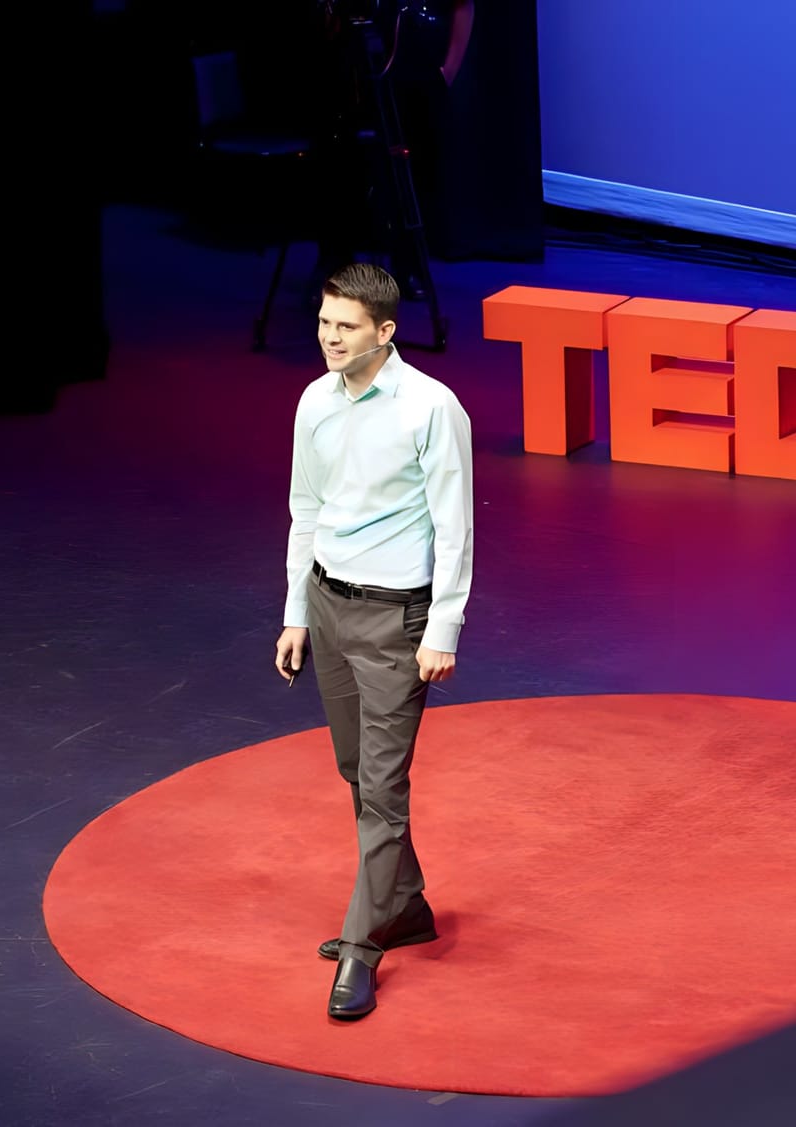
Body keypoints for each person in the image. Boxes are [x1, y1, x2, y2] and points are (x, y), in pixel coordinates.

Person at [274, 262, 474, 1020]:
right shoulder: (314, 401)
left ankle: (363, 946)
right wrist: (295, 611)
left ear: (385, 332)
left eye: (346, 326)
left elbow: (456, 526)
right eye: (324, 322)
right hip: (327, 605)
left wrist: (444, 627)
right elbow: (306, 507)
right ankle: (408, 906)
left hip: (398, 621)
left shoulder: (431, 408)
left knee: (384, 790)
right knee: (357, 770)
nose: (330, 337)